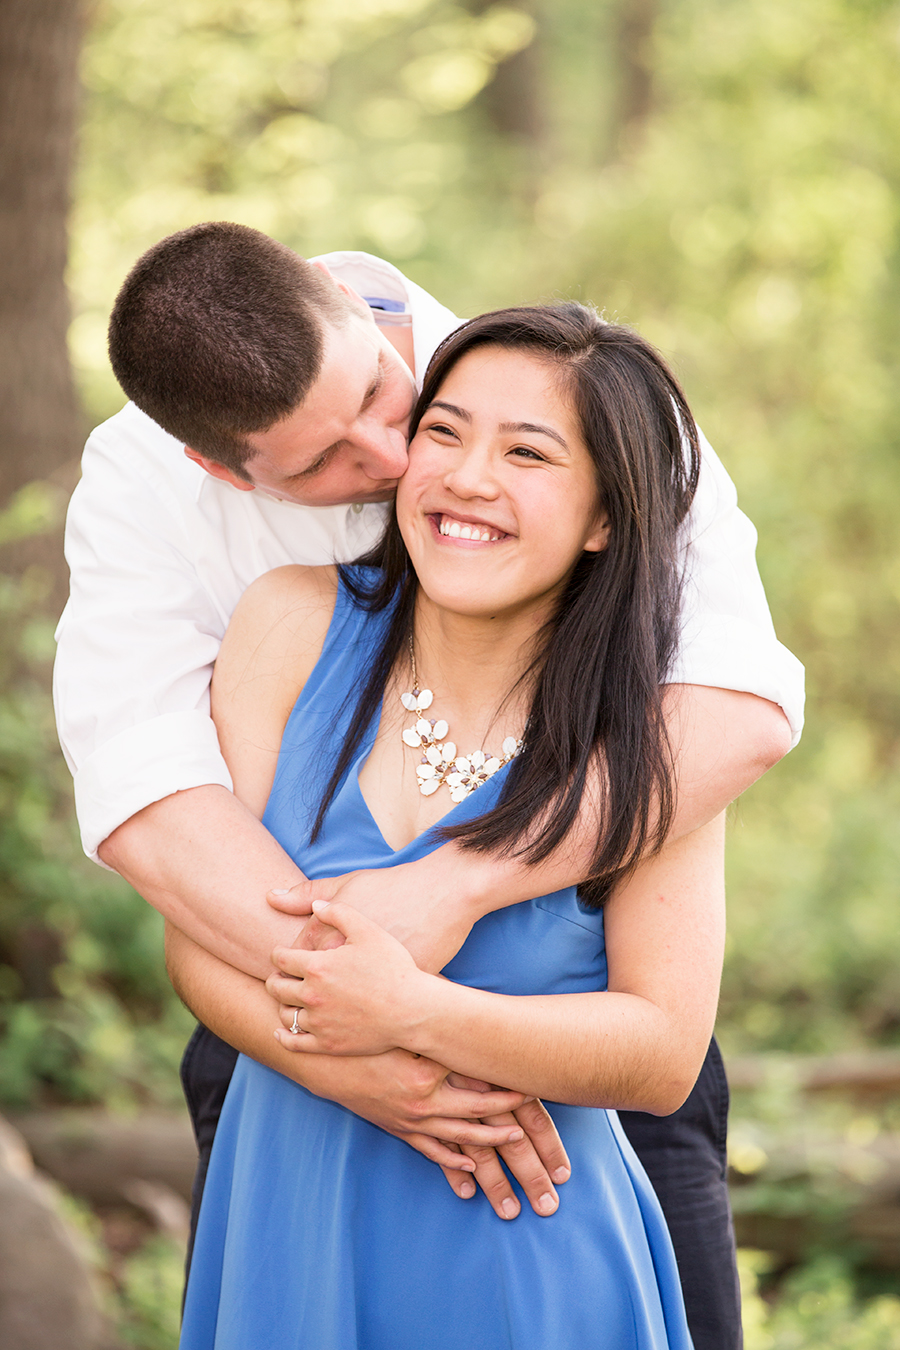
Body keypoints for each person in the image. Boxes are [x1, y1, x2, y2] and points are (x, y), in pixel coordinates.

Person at [53, 223, 804, 1349]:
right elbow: (153, 802)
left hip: (563, 1148)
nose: (413, 462)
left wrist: (454, 891)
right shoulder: (184, 524)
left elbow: (738, 710)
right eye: (323, 463)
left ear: (357, 311)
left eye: (386, 397)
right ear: (221, 467)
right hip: (293, 1088)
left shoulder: (589, 399)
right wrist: (351, 1050)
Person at [177, 304, 727, 1349]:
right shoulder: (289, 625)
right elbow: (199, 947)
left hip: (526, 1248)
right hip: (287, 1216)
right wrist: (365, 1078)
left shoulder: (657, 725)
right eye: (444, 431)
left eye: (528, 452)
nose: (468, 477)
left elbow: (663, 1050)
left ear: (606, 516)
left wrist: (410, 1011)